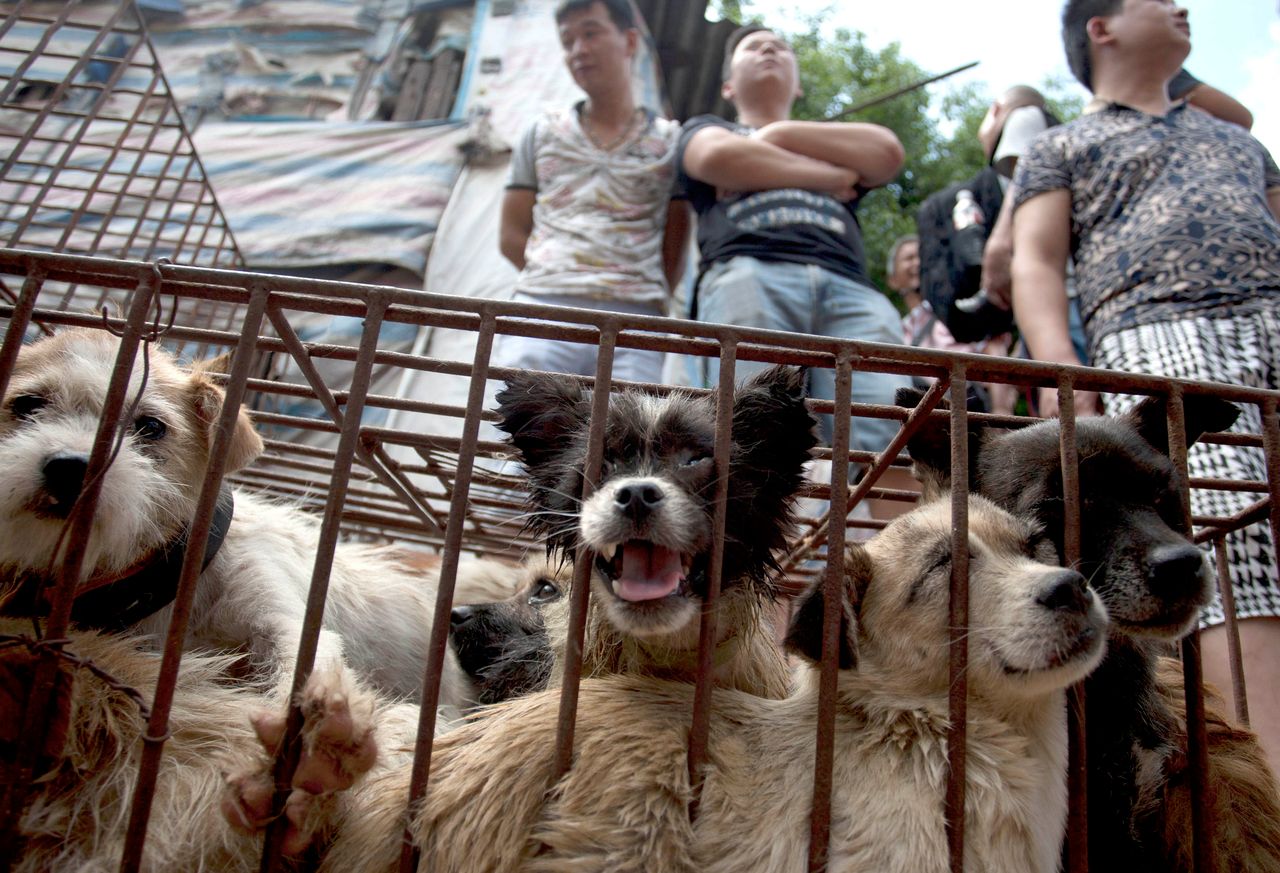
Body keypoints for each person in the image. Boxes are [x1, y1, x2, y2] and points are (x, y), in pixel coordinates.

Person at [1012, 0, 1280, 774]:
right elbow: (1036, 260)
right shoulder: (1062, 143)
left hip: (1272, 321)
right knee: (1232, 561)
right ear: (1101, 27)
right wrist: (1069, 376)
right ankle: (1263, 791)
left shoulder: (1239, 140)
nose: (1183, 5)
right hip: (1159, 340)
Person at [675, 24, 910, 453]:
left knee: (887, 436)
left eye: (780, 47)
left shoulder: (820, 138)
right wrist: (836, 176)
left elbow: (887, 152)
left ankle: (877, 524)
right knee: (750, 425)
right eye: (752, 48)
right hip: (746, 272)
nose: (768, 48)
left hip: (853, 290)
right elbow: (715, 156)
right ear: (728, 86)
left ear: (798, 85)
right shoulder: (705, 127)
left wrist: (777, 137)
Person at [495, 0, 689, 385]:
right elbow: (510, 234)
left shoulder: (670, 141)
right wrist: (559, 275)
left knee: (627, 443)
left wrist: (634, 287)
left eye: (591, 32)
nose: (578, 50)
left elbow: (676, 240)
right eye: (567, 41)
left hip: (637, 321)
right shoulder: (542, 132)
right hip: (543, 308)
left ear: (629, 41)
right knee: (526, 439)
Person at [890, 234, 1016, 415]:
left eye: (921, 257)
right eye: (909, 258)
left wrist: (1001, 410)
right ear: (892, 280)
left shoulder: (958, 313)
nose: (917, 263)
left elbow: (994, 351)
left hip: (972, 411)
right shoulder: (896, 330)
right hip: (924, 421)